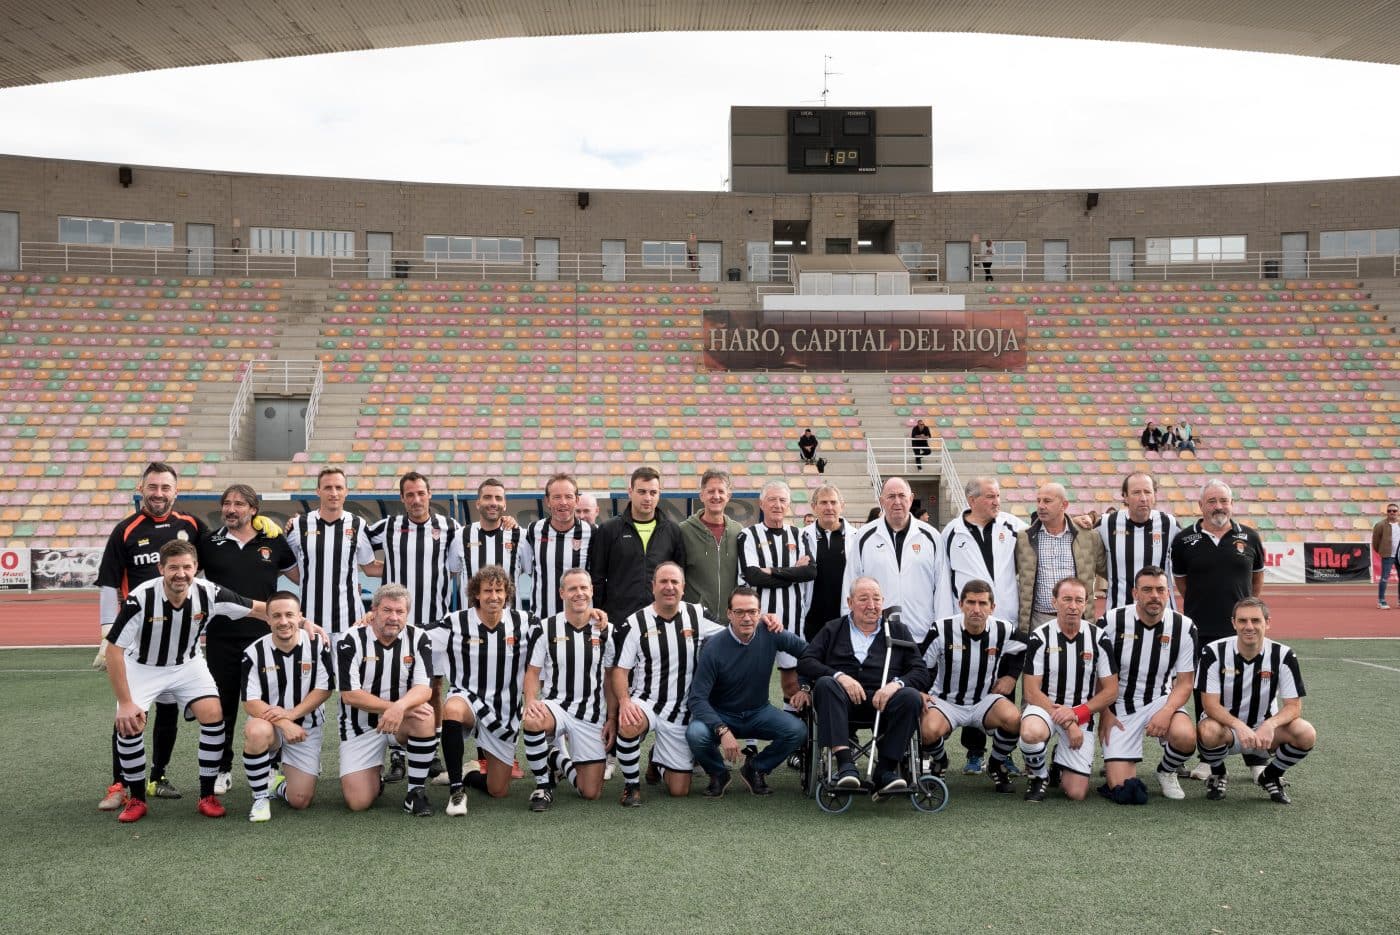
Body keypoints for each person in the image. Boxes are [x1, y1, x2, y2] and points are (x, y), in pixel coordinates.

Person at [103, 540, 271, 822]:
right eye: (173, 568)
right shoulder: (141, 598)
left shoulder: (209, 592)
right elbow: (114, 650)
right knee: (130, 725)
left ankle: (207, 795)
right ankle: (137, 799)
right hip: (143, 666)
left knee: (214, 715)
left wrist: (301, 621)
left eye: (187, 567)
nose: (180, 573)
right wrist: (125, 703)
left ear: (196, 568)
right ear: (161, 569)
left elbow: (256, 608)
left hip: (187, 665)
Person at [94, 460, 210, 810]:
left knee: (169, 709)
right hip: (136, 640)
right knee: (128, 711)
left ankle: (157, 775)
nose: (158, 494)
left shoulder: (191, 525)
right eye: (153, 487)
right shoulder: (126, 530)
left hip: (177, 637)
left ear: (176, 490)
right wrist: (105, 632)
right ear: (141, 488)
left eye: (165, 487)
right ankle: (120, 784)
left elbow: (219, 553)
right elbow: (109, 581)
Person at [199, 483, 299, 797]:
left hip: (266, 640)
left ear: (253, 510)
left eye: (239, 504)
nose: (231, 509)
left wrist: (293, 532)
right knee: (222, 706)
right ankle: (222, 768)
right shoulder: (208, 542)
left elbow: (299, 576)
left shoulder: (273, 541)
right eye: (227, 503)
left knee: (272, 705)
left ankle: (272, 766)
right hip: (222, 638)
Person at [368, 471, 465, 780]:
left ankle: (428, 747)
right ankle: (397, 754)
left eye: (421, 493)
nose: (416, 499)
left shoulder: (449, 527)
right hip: (394, 624)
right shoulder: (387, 527)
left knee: (433, 688)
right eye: (409, 494)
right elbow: (353, 539)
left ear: (429, 494)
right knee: (394, 687)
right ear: (402, 498)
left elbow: (469, 548)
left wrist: (508, 523)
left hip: (433, 624)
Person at [798, 577, 931, 798]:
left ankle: (886, 770)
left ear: (883, 601)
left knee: (910, 697)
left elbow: (920, 672)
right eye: (863, 599)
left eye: (876, 599)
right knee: (825, 684)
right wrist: (839, 676)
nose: (871, 605)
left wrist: (894, 686)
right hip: (842, 702)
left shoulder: (898, 631)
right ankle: (845, 766)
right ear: (850, 602)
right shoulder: (832, 629)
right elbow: (806, 661)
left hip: (885, 703)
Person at [611, 562, 727, 804]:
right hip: (646, 701)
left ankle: (657, 759)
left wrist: (765, 621)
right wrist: (624, 702)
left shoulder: (697, 614)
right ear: (653, 587)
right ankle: (631, 786)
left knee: (679, 790)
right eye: (663, 582)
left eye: (675, 582)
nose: (669, 587)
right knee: (629, 724)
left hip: (681, 711)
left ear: (683, 588)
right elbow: (621, 670)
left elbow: (733, 632)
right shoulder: (636, 622)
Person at [937, 476, 1026, 773]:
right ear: (972, 500)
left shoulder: (1012, 525)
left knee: (1004, 685)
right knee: (971, 683)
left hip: (1004, 621)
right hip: (967, 624)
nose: (996, 501)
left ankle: (1004, 755)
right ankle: (974, 753)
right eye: (990, 496)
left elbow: (1044, 531)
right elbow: (943, 578)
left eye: (998, 496)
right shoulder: (951, 532)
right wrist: (946, 619)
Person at [431, 565, 535, 816]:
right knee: (452, 709)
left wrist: (593, 614)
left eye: (499, 590)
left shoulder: (525, 621)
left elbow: (557, 629)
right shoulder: (454, 622)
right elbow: (414, 633)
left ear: (507, 592)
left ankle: (468, 774)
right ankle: (456, 790)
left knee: (498, 789)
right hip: (467, 697)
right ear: (476, 594)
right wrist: (372, 619)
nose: (494, 596)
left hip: (505, 708)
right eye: (487, 590)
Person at [686, 586, 809, 797]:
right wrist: (722, 730)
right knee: (695, 734)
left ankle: (756, 768)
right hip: (722, 714)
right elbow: (697, 699)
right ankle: (718, 773)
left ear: (759, 613)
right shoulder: (713, 647)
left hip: (759, 712)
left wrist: (805, 686)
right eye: (740, 612)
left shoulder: (771, 633)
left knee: (797, 731)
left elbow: (809, 653)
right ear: (729, 614)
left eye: (752, 612)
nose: (746, 618)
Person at [1196, 598, 1316, 804]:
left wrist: (1270, 724)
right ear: (1233, 623)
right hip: (1227, 730)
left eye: (1255, 620)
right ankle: (1218, 773)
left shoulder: (1283, 654)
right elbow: (1210, 705)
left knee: (1306, 733)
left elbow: (1293, 706)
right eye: (1242, 621)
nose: (1249, 627)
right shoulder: (1213, 652)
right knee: (1207, 730)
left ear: (1267, 622)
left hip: (1265, 733)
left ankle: (1270, 776)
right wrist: (1238, 726)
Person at [1096, 567, 1197, 803]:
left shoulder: (1184, 626)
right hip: (1119, 704)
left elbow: (1184, 683)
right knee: (1124, 790)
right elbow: (1096, 674)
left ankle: (1166, 770)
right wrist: (1105, 713)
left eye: (1161, 589)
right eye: (1147, 590)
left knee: (1185, 737)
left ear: (1169, 592)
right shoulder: (1112, 621)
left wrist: (1166, 711)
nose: (1155, 595)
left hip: (1160, 699)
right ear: (1135, 593)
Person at [336, 583, 437, 815]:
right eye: (387, 610)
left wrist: (399, 708)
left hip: (402, 721)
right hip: (359, 727)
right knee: (358, 803)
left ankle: (415, 792)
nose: (393, 617)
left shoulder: (419, 638)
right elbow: (349, 694)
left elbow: (424, 689)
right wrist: (392, 708)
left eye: (400, 612)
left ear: (407, 614)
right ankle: (374, 777)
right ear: (374, 611)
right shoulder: (350, 639)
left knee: (424, 715)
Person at [521, 568, 615, 812]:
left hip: (591, 716)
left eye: (584, 588)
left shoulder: (606, 629)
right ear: (562, 592)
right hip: (557, 708)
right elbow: (532, 672)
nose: (579, 593)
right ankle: (543, 785)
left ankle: (556, 758)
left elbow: (610, 678)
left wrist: (612, 717)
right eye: (572, 588)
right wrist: (531, 702)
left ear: (592, 591)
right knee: (532, 720)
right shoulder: (546, 627)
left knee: (590, 793)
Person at [918, 581, 1025, 793]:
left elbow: (1028, 647)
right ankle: (940, 761)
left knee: (1015, 720)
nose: (976, 609)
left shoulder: (1003, 629)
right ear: (960, 604)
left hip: (984, 701)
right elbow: (920, 664)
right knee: (927, 731)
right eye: (971, 602)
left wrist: (1011, 676)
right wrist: (920, 690)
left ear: (992, 607)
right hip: (945, 701)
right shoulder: (941, 629)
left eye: (983, 603)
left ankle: (996, 763)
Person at [1017, 577, 1119, 802]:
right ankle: (1038, 776)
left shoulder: (1099, 637)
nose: (1073, 606)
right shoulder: (1040, 636)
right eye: (1067, 599)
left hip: (1081, 712)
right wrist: (1069, 721)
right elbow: (1031, 692)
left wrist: (1076, 714)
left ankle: (1058, 762)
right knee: (1030, 732)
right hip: (1045, 708)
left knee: (1076, 793)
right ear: (1055, 602)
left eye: (1078, 600)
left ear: (1086, 604)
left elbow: (1111, 691)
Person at [240, 591, 333, 822]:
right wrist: (284, 723)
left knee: (300, 800)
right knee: (255, 731)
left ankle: (279, 783)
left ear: (299, 616)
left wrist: (292, 715)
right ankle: (260, 797)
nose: (283, 621)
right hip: (271, 724)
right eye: (277, 616)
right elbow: (250, 702)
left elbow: (324, 689)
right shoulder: (253, 653)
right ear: (268, 619)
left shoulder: (317, 645)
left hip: (306, 727)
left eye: (289, 615)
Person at [738, 480, 816, 713]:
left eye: (782, 500)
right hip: (757, 620)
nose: (777, 504)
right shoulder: (748, 535)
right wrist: (794, 571)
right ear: (762, 503)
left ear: (789, 504)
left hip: (792, 622)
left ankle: (793, 742)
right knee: (750, 682)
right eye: (772, 499)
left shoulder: (799, 535)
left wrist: (772, 570)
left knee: (791, 683)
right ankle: (751, 745)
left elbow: (810, 572)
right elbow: (753, 576)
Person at [843, 476, 945, 644]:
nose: (897, 501)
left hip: (922, 633)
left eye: (902, 496)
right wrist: (850, 628)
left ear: (911, 499)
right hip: (877, 634)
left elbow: (942, 587)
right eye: (891, 496)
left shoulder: (932, 536)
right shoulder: (864, 536)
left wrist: (941, 630)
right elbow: (851, 583)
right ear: (882, 500)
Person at [284, 466, 382, 640]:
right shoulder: (299, 525)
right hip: (309, 622)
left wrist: (407, 568)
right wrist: (313, 580)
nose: (334, 493)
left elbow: (369, 567)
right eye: (328, 488)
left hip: (350, 622)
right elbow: (287, 565)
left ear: (346, 492)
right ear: (318, 491)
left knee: (348, 668)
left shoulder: (358, 525)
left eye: (339, 487)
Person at [1171, 481, 1264, 647]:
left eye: (1224, 501)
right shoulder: (1182, 540)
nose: (1218, 506)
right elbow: (1182, 582)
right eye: (1212, 501)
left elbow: (1257, 578)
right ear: (1201, 505)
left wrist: (1246, 607)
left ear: (1232, 504)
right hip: (1199, 628)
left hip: (1239, 628)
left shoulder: (1251, 537)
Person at [588, 465, 686, 623]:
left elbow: (680, 578)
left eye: (653, 492)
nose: (648, 498)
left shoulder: (673, 531)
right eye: (642, 492)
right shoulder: (609, 530)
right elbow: (597, 578)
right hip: (619, 620)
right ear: (630, 492)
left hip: (660, 619)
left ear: (659, 494)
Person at [1015, 481, 1106, 633]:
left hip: (1078, 620)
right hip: (1039, 620)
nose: (1041, 506)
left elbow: (1110, 572)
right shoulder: (1023, 538)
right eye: (1038, 501)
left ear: (1064, 505)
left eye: (1047, 501)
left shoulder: (1089, 537)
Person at [1093, 471, 1181, 611]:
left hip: (1162, 614)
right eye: (1136, 493)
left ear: (1154, 496)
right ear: (1125, 497)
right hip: (1119, 614)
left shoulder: (1169, 524)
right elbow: (1081, 539)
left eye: (1147, 492)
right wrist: (1080, 521)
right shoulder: (1107, 523)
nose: (1143, 498)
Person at [518, 472, 594, 618]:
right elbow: (527, 568)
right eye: (557, 497)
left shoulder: (591, 532)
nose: (563, 502)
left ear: (577, 500)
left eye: (568, 496)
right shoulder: (534, 530)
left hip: (580, 621)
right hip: (543, 619)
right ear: (547, 500)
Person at [679, 469, 742, 622]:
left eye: (721, 491)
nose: (716, 496)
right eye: (710, 491)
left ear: (728, 496)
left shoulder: (738, 531)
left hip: (730, 622)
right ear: (702, 495)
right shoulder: (683, 531)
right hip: (695, 620)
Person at [800, 484, 857, 642]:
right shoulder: (800, 537)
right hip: (812, 619)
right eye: (823, 503)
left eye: (833, 502)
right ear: (814, 507)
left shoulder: (857, 538)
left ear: (842, 506)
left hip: (845, 618)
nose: (829, 507)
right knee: (811, 664)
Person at [463, 477, 524, 603]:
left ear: (505, 504)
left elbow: (530, 569)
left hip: (509, 619)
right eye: (487, 497)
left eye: (498, 498)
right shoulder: (461, 535)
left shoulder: (520, 535)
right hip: (471, 620)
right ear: (478, 503)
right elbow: (452, 570)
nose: (493, 503)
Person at [1372, 503, 1399, 609]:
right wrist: (1381, 551)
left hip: (1399, 555)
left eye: (1394, 511)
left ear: (1398, 512)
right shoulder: (1380, 525)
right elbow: (1375, 541)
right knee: (1384, 578)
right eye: (1389, 511)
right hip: (1388, 555)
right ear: (1387, 513)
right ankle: (1381, 600)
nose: (1392, 513)